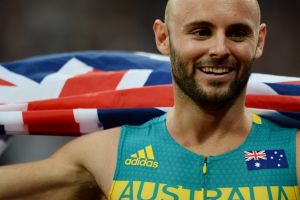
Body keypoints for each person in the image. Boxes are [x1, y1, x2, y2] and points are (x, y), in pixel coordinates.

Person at [0, 0, 299, 199]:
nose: (219, 49)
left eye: (236, 33)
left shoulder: (294, 154)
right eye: (200, 32)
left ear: (258, 41)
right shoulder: (107, 154)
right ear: (163, 38)